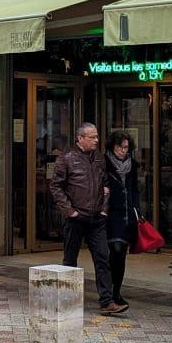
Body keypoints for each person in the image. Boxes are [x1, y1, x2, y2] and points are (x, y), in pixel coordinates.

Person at [49, 122, 125, 315]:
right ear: (80, 138)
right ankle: (67, 300)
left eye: (97, 137)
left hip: (97, 218)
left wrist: (104, 209)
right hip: (76, 217)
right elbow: (56, 186)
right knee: (70, 260)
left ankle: (107, 302)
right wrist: (69, 211)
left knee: (103, 258)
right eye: (92, 137)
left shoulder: (99, 159)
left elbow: (106, 185)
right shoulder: (67, 159)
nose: (96, 140)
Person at [104, 131, 140, 310]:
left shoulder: (132, 165)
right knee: (115, 250)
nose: (122, 151)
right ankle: (108, 293)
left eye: (125, 147)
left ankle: (115, 291)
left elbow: (134, 190)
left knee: (120, 255)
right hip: (110, 214)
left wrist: (137, 211)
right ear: (112, 147)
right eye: (119, 147)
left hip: (127, 215)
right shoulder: (104, 164)